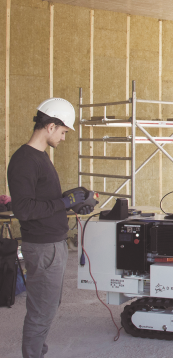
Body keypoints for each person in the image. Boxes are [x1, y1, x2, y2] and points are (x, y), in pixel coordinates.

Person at [7, 98, 88, 358]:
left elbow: (43, 202)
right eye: (63, 132)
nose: (64, 138)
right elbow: (25, 209)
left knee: (48, 306)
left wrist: (72, 203)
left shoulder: (39, 157)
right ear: (51, 126)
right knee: (42, 310)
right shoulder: (25, 160)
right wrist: (65, 201)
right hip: (43, 248)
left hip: (52, 243)